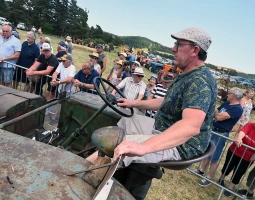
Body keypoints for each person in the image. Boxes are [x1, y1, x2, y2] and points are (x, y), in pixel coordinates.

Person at [87, 27, 217, 199]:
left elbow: (191, 126)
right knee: (126, 122)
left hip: (180, 145)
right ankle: (114, 165)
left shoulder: (199, 80)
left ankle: (86, 175)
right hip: (162, 127)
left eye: (179, 44)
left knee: (119, 145)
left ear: (195, 50)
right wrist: (134, 102)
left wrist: (143, 147)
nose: (173, 48)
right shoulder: (186, 73)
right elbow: (167, 102)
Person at [197, 87, 243, 186]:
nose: (227, 94)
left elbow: (218, 116)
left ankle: (208, 178)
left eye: (229, 93)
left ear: (234, 96)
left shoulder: (237, 109)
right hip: (213, 130)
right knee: (208, 152)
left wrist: (217, 113)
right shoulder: (227, 103)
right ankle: (201, 170)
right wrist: (217, 113)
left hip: (221, 134)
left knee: (215, 156)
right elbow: (216, 112)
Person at [219, 115, 255, 197]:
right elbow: (242, 132)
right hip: (235, 151)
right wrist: (239, 138)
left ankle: (230, 188)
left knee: (239, 172)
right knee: (228, 166)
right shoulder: (250, 125)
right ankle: (221, 178)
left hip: (247, 158)